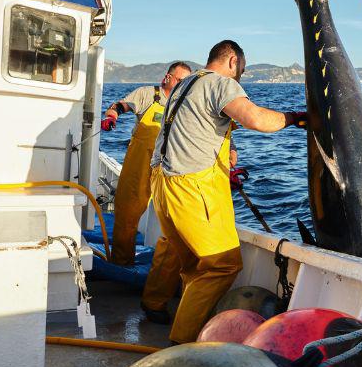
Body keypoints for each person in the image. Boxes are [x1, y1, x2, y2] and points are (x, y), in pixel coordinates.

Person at [141, 40, 307, 344]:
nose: (239, 79)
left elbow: (196, 127)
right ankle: (181, 344)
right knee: (222, 265)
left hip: (163, 186)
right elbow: (255, 118)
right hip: (191, 188)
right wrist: (294, 118)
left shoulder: (186, 84)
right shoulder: (220, 84)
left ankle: (154, 304)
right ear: (232, 60)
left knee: (191, 263)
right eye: (240, 71)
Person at [101, 61, 192, 265]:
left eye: (186, 83)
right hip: (141, 163)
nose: (182, 86)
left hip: (171, 167)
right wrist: (111, 116)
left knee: (177, 219)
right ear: (167, 78)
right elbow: (120, 105)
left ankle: (170, 267)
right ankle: (121, 263)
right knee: (127, 213)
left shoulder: (186, 105)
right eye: (179, 80)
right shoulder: (147, 94)